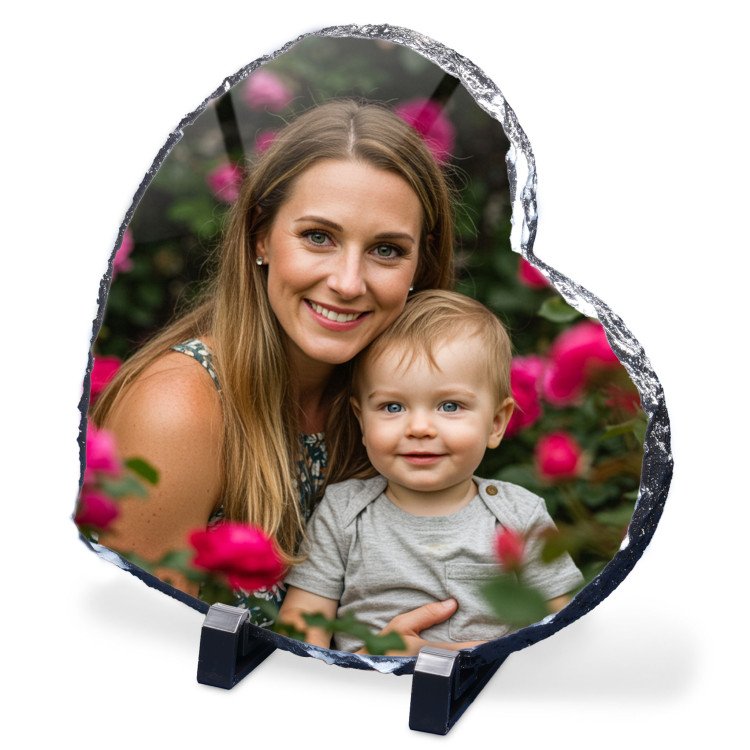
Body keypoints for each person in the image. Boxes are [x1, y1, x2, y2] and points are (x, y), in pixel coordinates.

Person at [91, 99, 476, 645]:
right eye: (319, 237)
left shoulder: (397, 409)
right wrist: (360, 672)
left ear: (420, 265)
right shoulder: (179, 410)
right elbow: (136, 655)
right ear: (260, 236)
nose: (347, 282)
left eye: (387, 250)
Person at [279, 290, 585, 652]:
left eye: (450, 406)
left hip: (492, 684)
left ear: (496, 423)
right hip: (367, 682)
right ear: (362, 420)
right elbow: (302, 622)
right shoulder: (344, 512)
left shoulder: (519, 515)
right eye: (393, 407)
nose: (419, 428)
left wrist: (454, 656)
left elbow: (563, 630)